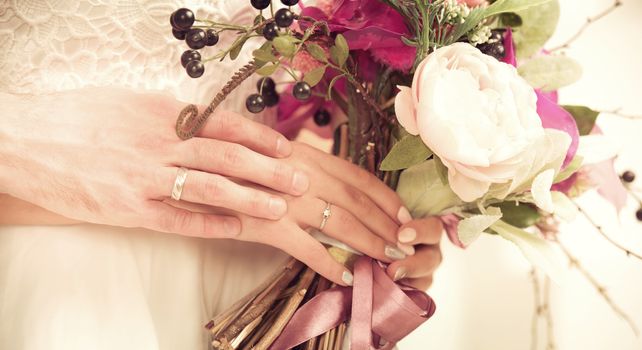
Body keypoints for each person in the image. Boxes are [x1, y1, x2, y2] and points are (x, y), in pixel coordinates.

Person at [0, 1, 443, 349]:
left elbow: (310, 86)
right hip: (66, 264)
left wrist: (377, 207)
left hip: (256, 269)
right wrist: (46, 140)